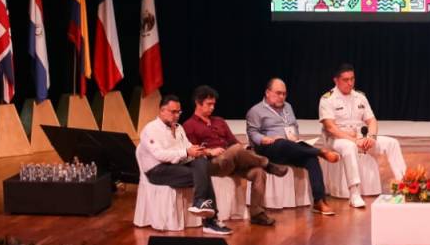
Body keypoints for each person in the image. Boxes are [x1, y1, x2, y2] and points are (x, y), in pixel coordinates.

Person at [183, 85, 290, 227]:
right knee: (236, 150)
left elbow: (234, 142)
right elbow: (193, 152)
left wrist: (245, 150)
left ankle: (257, 214)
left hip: (232, 161)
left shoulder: (219, 121)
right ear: (198, 103)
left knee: (258, 172)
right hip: (213, 163)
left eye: (214, 104)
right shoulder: (189, 125)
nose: (212, 107)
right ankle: (267, 164)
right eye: (209, 104)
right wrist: (209, 151)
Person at [136, 94, 232, 235]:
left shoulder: (179, 128)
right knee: (201, 174)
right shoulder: (151, 129)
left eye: (179, 112)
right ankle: (210, 220)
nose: (177, 115)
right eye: (173, 112)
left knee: (201, 162)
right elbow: (160, 155)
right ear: (162, 110)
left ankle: (201, 205)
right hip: (157, 170)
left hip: (176, 166)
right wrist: (186, 152)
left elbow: (187, 148)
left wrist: (199, 151)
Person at [318, 63, 406, 208]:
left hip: (360, 137)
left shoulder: (360, 96)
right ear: (336, 80)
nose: (350, 83)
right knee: (349, 147)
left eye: (352, 79)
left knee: (392, 143)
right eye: (346, 80)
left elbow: (372, 120)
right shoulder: (327, 99)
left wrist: (371, 137)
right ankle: (354, 193)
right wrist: (355, 141)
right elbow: (330, 128)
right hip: (338, 140)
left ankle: (405, 185)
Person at [245, 78, 338, 216]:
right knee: (282, 143)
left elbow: (294, 126)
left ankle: (319, 201)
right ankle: (320, 151)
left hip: (290, 147)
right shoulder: (256, 111)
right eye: (278, 93)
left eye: (284, 94)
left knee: (311, 159)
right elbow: (252, 132)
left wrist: (295, 137)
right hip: (268, 148)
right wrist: (263, 138)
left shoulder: (287, 107)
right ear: (268, 92)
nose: (282, 97)